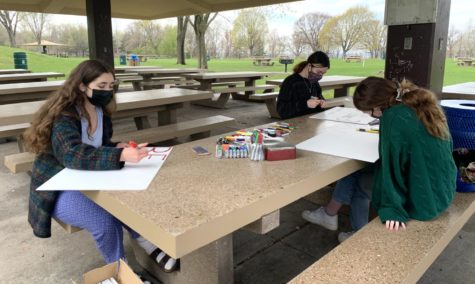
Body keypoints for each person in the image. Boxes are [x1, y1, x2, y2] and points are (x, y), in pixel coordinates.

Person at [23, 59, 179, 273]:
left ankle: (146, 241)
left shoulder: (101, 112)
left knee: (128, 201)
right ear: (82, 86)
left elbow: (100, 146)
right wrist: (121, 154)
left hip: (89, 178)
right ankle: (119, 272)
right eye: (101, 87)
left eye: (111, 86)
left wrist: (118, 147)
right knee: (105, 221)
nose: (107, 91)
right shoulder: (65, 116)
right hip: (57, 188)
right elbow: (72, 154)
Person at [302, 76, 456, 241]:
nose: (369, 116)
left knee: (361, 182)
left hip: (426, 200)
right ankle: (330, 214)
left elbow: (391, 170)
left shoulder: (393, 118)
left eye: (367, 111)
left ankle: (356, 234)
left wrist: (392, 210)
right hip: (444, 188)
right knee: (362, 172)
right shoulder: (418, 104)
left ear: (377, 107)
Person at [277, 51, 330, 119]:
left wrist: (321, 103)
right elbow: (282, 110)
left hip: (312, 123)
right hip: (294, 124)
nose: (320, 75)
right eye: (318, 72)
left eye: (323, 73)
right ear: (309, 66)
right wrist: (306, 104)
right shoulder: (291, 82)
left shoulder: (314, 82)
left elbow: (319, 98)